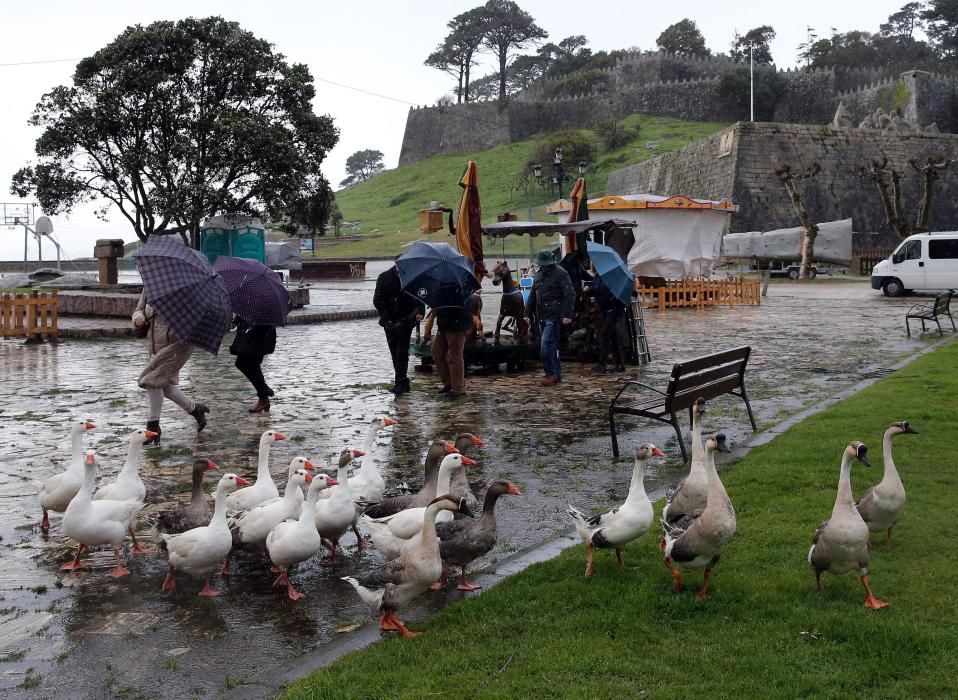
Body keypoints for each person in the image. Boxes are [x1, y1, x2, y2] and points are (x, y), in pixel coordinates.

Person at [132, 291, 209, 444]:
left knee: (151, 380)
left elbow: (196, 319)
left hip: (177, 344)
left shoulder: (186, 291)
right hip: (154, 345)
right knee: (163, 385)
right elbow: (138, 310)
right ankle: (195, 409)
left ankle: (153, 427)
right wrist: (138, 318)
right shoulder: (151, 285)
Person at [373, 262, 425, 395]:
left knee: (402, 351)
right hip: (390, 321)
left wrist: (420, 311)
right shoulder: (384, 277)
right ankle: (402, 381)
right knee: (394, 352)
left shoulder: (413, 277)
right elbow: (378, 300)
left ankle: (400, 381)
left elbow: (420, 296)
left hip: (407, 321)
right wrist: (387, 317)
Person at [526, 249, 576, 386]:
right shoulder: (539, 275)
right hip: (542, 315)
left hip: (554, 315)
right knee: (551, 346)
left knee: (546, 345)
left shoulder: (561, 273)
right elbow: (533, 294)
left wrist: (567, 314)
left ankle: (549, 374)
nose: (542, 266)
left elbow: (570, 293)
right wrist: (527, 313)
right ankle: (556, 374)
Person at [230, 317, 277, 413]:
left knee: (251, 364)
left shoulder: (261, 305)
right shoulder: (251, 305)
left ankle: (263, 398)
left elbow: (261, 317)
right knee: (243, 364)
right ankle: (263, 391)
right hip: (251, 332)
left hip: (259, 334)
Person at [432, 295, 474, 397]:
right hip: (444, 325)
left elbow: (465, 311)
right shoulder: (442, 290)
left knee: (455, 356)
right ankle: (449, 382)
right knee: (437, 352)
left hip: (457, 326)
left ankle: (458, 387)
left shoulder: (464, 293)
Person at [590, 276, 627, 373]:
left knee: (605, 334)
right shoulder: (598, 277)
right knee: (613, 336)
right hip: (606, 310)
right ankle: (620, 364)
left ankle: (602, 364)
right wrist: (589, 289)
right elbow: (597, 289)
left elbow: (604, 290)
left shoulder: (612, 277)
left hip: (614, 309)